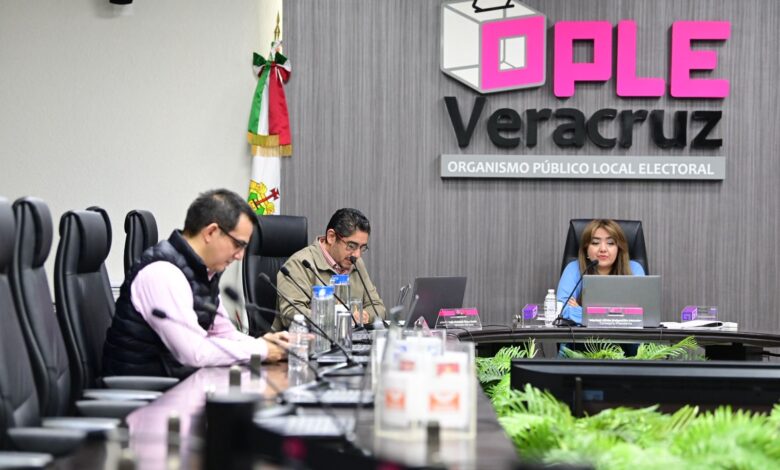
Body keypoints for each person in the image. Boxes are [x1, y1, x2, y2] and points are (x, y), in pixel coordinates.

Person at [103, 189, 289, 378]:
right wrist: (261, 350)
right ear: (211, 232)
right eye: (238, 244)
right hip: (147, 389)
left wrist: (265, 344)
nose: (240, 256)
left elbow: (224, 334)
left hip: (177, 382)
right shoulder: (163, 274)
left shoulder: (203, 273)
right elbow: (193, 353)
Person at [274, 208, 386, 329]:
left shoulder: (356, 263)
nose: (357, 255)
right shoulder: (299, 264)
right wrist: (338, 319)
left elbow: (378, 307)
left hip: (350, 338)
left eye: (362, 248)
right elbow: (291, 314)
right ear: (331, 237)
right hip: (305, 339)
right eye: (351, 246)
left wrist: (365, 316)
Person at [557, 219, 646, 325]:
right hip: (582, 335)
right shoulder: (574, 268)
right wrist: (616, 315)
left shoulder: (634, 269)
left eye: (610, 243)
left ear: (619, 248)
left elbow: (642, 314)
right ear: (586, 248)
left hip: (624, 335)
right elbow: (562, 310)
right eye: (595, 243)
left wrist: (581, 311)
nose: (603, 249)